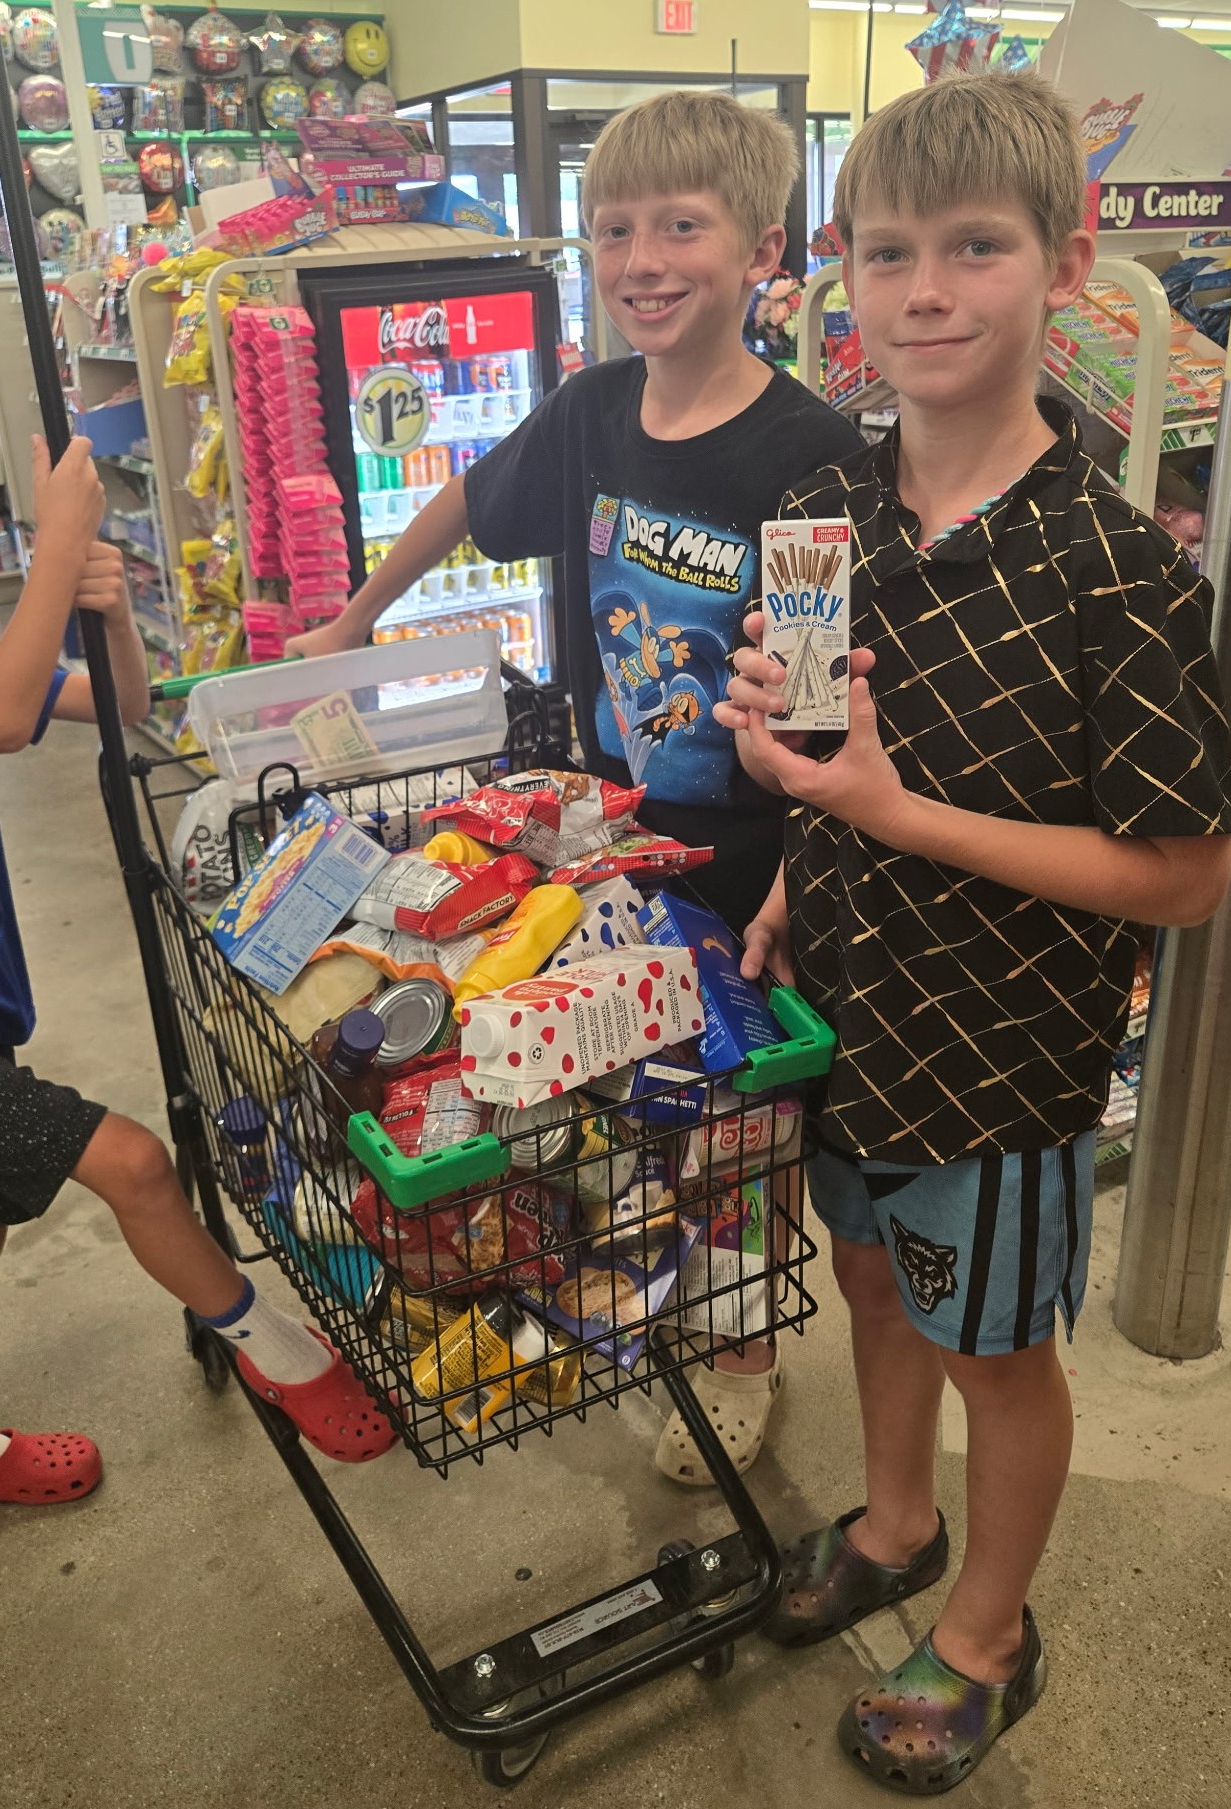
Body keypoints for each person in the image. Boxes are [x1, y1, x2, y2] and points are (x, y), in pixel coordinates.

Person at [718, 70, 1231, 1792]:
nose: (924, 289)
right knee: (868, 1280)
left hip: (1002, 1056)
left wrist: (888, 818)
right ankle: (893, 1517)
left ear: (1068, 264)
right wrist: (803, 850)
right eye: (885, 253)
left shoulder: (1120, 570)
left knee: (993, 1343)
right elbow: (831, 760)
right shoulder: (831, 510)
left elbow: (1189, 873)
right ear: (839, 280)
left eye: (974, 247)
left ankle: (992, 1633)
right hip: (849, 1007)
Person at [291, 91, 863, 1480]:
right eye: (616, 229)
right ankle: (643, 1293)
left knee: (734, 1125)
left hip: (745, 851)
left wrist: (795, 878)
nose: (645, 258)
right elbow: (469, 498)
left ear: (761, 251)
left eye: (683, 225)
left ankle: (739, 1356)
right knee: (622, 1095)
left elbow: (820, 697)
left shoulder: (808, 454)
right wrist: (354, 616)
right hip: (604, 835)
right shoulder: (595, 409)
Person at [0, 425, 396, 1514]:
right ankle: (279, 1352)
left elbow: (119, 704)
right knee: (135, 1165)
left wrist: (104, 610)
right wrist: (56, 545)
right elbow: (1, 723)